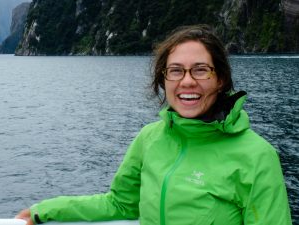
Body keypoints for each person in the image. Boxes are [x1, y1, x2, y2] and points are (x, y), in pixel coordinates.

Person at [16, 25, 292, 225]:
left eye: (200, 69)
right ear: (164, 80)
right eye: (175, 70)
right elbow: (120, 204)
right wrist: (46, 209)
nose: (187, 81)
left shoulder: (256, 156)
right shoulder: (150, 139)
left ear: (220, 79)